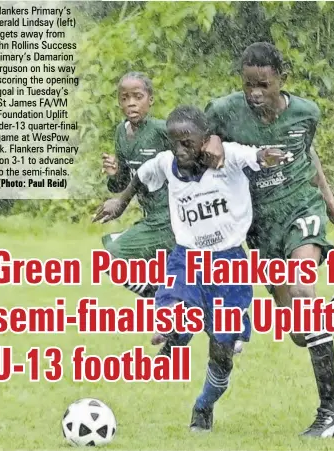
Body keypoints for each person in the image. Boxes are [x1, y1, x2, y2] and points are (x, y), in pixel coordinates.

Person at [159, 42, 334, 438]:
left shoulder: (307, 113)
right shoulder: (224, 110)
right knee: (300, 329)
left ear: (280, 78)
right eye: (248, 85)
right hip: (260, 226)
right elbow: (199, 137)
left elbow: (309, 157)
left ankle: (333, 413)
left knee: (303, 290)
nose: (254, 93)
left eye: (263, 85)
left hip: (300, 208)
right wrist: (213, 140)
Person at [93, 105, 292, 432]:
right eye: (174, 143)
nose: (180, 150)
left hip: (229, 264)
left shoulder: (226, 157)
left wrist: (269, 155)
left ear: (206, 139)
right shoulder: (166, 165)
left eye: (187, 143)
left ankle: (204, 405)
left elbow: (255, 156)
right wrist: (121, 201)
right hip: (187, 258)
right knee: (173, 301)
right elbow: (142, 176)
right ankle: (170, 326)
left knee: (222, 352)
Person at [100, 71, 176, 297]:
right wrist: (115, 174)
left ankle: (156, 293)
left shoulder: (162, 130)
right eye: (125, 98)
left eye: (137, 96)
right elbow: (121, 185)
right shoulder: (121, 133)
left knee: (112, 255)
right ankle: (162, 294)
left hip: (169, 218)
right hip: (150, 218)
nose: (131, 103)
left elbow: (193, 148)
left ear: (150, 100)